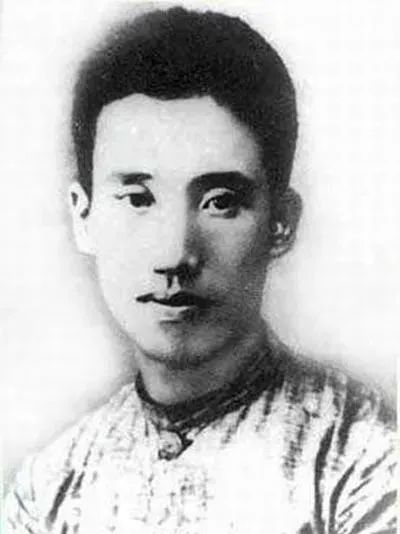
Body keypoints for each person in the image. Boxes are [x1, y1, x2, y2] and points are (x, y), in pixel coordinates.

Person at [5, 5, 396, 534]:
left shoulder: (364, 460)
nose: (175, 254)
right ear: (84, 217)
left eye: (220, 201)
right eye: (138, 198)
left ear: (281, 223)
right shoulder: (49, 491)